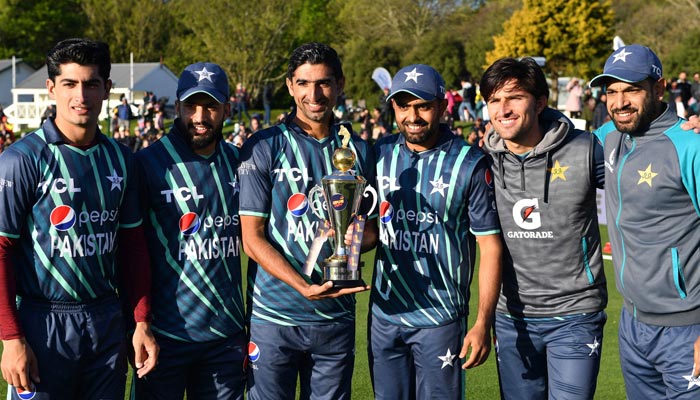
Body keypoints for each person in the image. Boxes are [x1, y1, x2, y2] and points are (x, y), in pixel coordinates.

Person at [0, 38, 158, 399]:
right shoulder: (22, 159)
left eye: (91, 84)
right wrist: (11, 337)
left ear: (106, 89)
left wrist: (141, 320)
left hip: (106, 319)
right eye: (70, 84)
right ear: (51, 88)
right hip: (43, 321)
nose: (80, 96)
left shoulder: (122, 159)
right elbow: (2, 250)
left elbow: (133, 248)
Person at [238, 42, 377, 400]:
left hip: (335, 318)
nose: (313, 95)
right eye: (303, 83)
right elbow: (252, 239)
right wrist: (302, 285)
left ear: (341, 84)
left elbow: (374, 228)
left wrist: (350, 241)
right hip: (274, 317)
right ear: (289, 86)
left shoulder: (359, 151)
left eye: (324, 83)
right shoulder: (263, 146)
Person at [369, 64, 502, 399]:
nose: (412, 116)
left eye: (423, 105)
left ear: (443, 106)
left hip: (439, 318)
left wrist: (482, 322)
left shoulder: (470, 163)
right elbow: (366, 230)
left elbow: (490, 248)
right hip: (385, 316)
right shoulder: (378, 154)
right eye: (403, 106)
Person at [480, 57, 608, 400]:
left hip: (576, 314)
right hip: (512, 319)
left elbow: (646, 170)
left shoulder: (586, 149)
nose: (503, 109)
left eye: (514, 97)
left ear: (539, 102)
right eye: (494, 100)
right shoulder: (483, 161)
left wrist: (682, 130)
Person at [132, 62, 246, 399]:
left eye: (210, 106)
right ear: (177, 106)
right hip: (164, 335)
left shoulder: (242, 163)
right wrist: (139, 323)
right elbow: (131, 251)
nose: (200, 116)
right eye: (191, 106)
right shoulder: (147, 163)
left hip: (225, 337)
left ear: (227, 108)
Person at [591, 44, 700, 399]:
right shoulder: (607, 137)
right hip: (633, 325)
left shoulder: (690, 144)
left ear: (659, 88)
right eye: (611, 91)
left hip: (687, 328)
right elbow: (553, 140)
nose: (619, 101)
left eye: (631, 89)